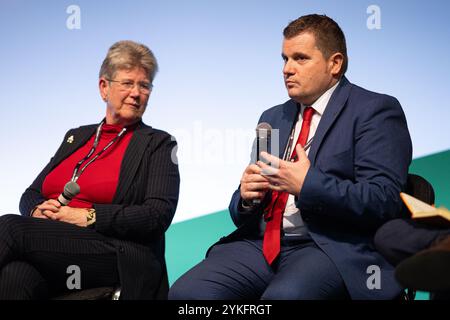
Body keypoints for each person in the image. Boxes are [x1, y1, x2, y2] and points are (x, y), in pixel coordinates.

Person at [169, 14, 412, 300]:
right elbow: (241, 210)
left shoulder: (374, 110)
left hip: (328, 245)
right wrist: (247, 198)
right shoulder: (272, 118)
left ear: (335, 63)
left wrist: (309, 185)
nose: (287, 69)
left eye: (300, 58)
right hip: (261, 244)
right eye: (284, 59)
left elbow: (383, 200)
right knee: (186, 295)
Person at [0, 40, 180, 300]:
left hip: (114, 251)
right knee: (14, 277)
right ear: (104, 87)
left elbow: (157, 215)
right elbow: (32, 192)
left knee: (10, 229)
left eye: (144, 85)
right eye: (128, 83)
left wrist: (87, 216)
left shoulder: (158, 143)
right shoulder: (76, 137)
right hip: (55, 244)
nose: (137, 93)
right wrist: (36, 209)